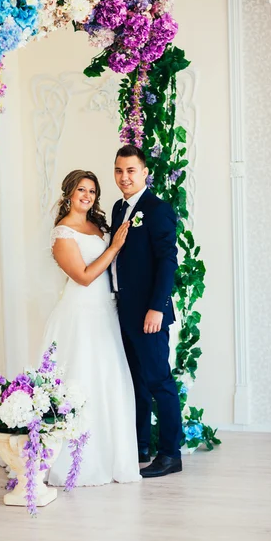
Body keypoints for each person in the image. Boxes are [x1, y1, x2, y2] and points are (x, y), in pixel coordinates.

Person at [43, 169, 141, 486]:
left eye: (92, 191)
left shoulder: (97, 226)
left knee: (110, 381)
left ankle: (114, 456)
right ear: (69, 193)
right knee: (82, 380)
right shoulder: (62, 233)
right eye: (82, 190)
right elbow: (83, 277)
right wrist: (113, 247)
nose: (87, 196)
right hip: (80, 315)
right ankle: (77, 462)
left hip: (105, 312)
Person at [111, 144, 183, 478]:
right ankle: (140, 446)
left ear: (144, 173)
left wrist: (157, 308)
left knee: (159, 382)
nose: (124, 177)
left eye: (131, 171)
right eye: (119, 170)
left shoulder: (157, 210)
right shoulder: (117, 209)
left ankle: (170, 454)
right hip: (125, 313)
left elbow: (168, 261)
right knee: (135, 382)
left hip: (150, 316)